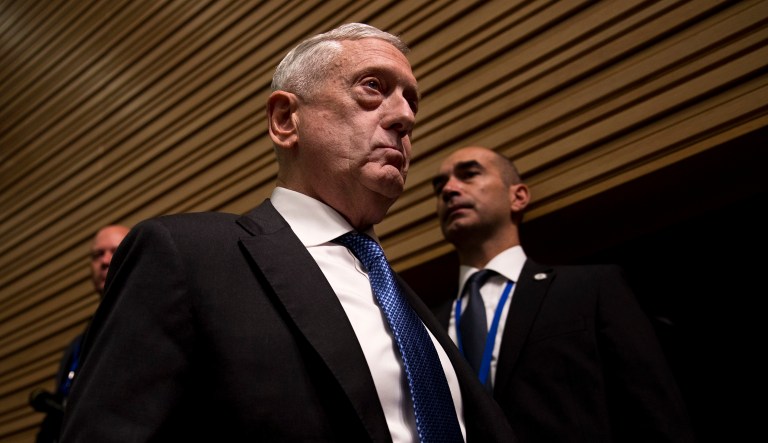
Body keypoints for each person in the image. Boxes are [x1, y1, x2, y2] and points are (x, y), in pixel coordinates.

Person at [59, 24, 515, 442]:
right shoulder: (187, 255)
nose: (404, 117)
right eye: (373, 87)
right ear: (284, 120)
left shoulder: (405, 304)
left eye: (411, 100)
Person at [430, 146, 696, 442]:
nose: (449, 190)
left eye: (468, 175)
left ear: (518, 197)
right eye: (440, 187)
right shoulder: (425, 327)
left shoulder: (591, 288)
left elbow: (656, 412)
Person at [31, 224, 130, 443]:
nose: (104, 261)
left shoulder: (152, 321)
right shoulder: (78, 345)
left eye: (115, 251)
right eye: (97, 255)